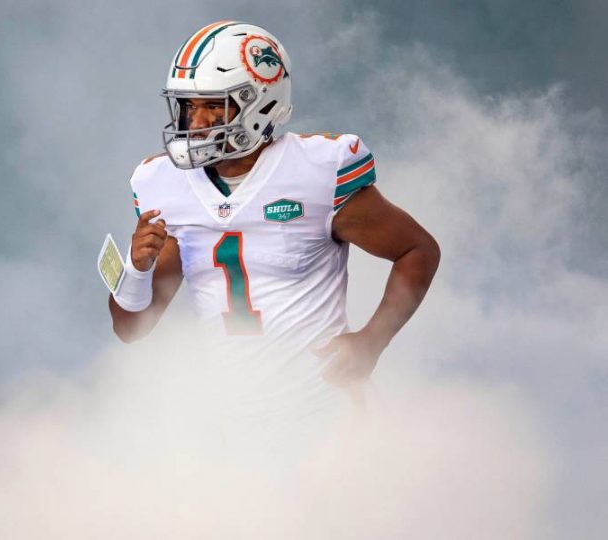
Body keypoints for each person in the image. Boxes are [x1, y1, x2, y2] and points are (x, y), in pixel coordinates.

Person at [108, 21, 439, 395]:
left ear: (262, 101)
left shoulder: (316, 172)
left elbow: (417, 249)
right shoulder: (163, 185)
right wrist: (136, 269)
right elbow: (130, 330)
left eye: (214, 106)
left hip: (321, 406)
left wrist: (372, 342)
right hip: (229, 414)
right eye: (188, 106)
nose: (196, 123)